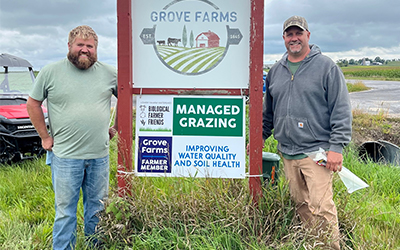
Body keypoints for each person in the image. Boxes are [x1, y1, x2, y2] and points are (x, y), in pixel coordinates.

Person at [258, 16, 352, 249]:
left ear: (308, 35)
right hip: (288, 153)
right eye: (289, 34)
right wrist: (259, 137)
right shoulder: (275, 72)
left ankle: (331, 247)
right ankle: (314, 244)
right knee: (301, 205)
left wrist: (336, 147)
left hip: (316, 152)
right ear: (283, 38)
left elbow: (340, 109)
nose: (294, 38)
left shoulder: (326, 67)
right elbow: (268, 112)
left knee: (321, 207)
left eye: (298, 33)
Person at [27, 25, 118, 250]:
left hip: (99, 156)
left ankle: (96, 247)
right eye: (80, 45)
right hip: (66, 157)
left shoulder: (110, 73)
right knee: (65, 212)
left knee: (97, 210)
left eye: (90, 46)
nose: (85, 50)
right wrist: (45, 137)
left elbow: (126, 98)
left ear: (96, 49)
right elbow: (33, 103)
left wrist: (117, 127)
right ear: (69, 46)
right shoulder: (50, 71)